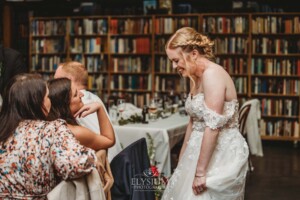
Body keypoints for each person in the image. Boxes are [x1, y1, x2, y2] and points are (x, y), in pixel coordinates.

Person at [161, 27, 249, 200]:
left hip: (219, 152)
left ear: (193, 54)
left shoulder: (212, 75)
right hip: (198, 149)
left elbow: (213, 126)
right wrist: (182, 158)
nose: (173, 66)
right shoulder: (195, 77)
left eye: (176, 60)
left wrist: (200, 173)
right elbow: (193, 122)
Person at [0, 73, 96, 199]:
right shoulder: (52, 130)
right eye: (47, 97)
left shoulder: (3, 130)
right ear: (39, 103)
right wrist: (93, 155)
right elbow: (75, 166)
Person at [54, 61, 122, 161]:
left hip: (105, 163)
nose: (54, 85)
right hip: (115, 158)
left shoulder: (75, 103)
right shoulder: (93, 97)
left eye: (57, 80)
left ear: (69, 81)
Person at [47, 77, 115, 151]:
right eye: (76, 94)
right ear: (64, 105)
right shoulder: (73, 132)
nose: (82, 94)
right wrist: (100, 107)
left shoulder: (49, 124)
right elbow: (109, 140)